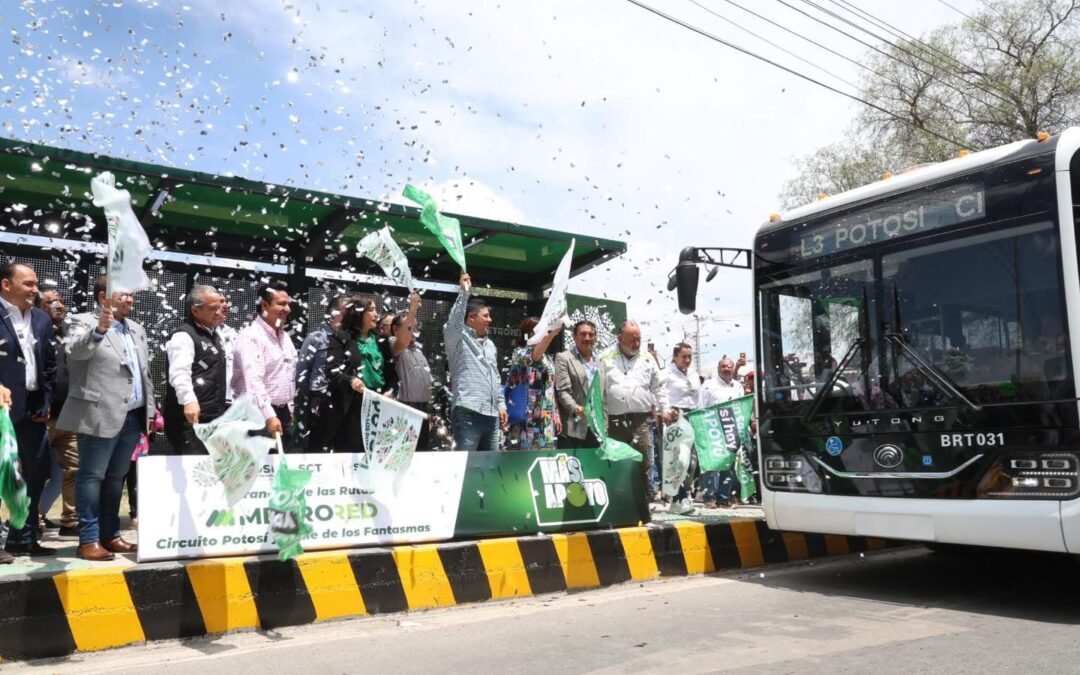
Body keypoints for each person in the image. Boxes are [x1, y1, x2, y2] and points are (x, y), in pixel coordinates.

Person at [57, 275, 153, 561]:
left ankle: (110, 535)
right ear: (103, 297)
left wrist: (151, 408)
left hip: (132, 415)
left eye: (131, 296)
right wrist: (98, 330)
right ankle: (88, 539)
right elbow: (75, 351)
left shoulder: (136, 329)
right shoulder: (81, 321)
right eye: (124, 295)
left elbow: (143, 372)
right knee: (91, 476)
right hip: (98, 412)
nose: (130, 300)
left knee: (116, 478)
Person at [0, 262, 57, 559]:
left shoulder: (41, 319)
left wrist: (46, 401)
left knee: (37, 472)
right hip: (2, 410)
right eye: (28, 284)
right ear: (6, 284)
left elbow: (49, 364)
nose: (35, 289)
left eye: (35, 284)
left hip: (33, 410)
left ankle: (24, 537)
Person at [603, 320, 671, 500]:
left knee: (643, 462)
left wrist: (665, 409)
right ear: (620, 338)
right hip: (613, 421)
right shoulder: (604, 357)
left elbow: (659, 387)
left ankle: (642, 504)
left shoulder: (648, 358)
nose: (637, 343)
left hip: (640, 421)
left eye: (639, 339)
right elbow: (597, 390)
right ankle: (616, 502)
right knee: (615, 461)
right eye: (632, 339)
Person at [325, 295, 398, 451]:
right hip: (353, 405)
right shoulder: (341, 337)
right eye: (371, 310)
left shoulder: (382, 341)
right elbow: (332, 370)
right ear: (358, 313)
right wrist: (351, 381)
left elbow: (392, 375)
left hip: (380, 404)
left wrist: (391, 391)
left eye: (376, 310)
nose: (376, 314)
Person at [444, 271, 506, 451]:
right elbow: (454, 321)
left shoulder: (490, 345)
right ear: (471, 318)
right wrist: (464, 293)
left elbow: (495, 376)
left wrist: (501, 404)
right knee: (466, 467)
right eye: (485, 316)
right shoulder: (457, 338)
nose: (490, 320)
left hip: (492, 416)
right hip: (468, 414)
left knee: (491, 468)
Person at [35, 289, 79, 539]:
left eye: (61, 301)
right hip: (40, 416)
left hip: (68, 415)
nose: (59, 306)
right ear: (40, 307)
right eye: (51, 302)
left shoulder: (69, 334)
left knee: (74, 468)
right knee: (35, 472)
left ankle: (70, 522)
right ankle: (29, 521)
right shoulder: (33, 332)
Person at [233, 281, 298, 449]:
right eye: (282, 304)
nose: (287, 309)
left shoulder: (286, 337)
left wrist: (290, 409)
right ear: (264, 305)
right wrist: (269, 415)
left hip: (282, 414)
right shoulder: (251, 336)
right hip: (257, 416)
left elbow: (290, 376)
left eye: (288, 304)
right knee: (261, 472)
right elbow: (253, 381)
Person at [162, 285, 227, 455]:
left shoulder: (215, 335)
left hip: (213, 417)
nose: (219, 312)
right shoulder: (183, 336)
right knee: (195, 472)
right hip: (190, 420)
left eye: (220, 307)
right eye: (213, 309)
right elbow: (179, 373)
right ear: (196, 311)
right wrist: (189, 400)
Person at [294, 293, 348, 451]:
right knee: (317, 446)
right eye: (346, 311)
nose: (350, 316)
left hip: (343, 401)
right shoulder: (316, 338)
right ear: (333, 312)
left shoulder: (349, 340)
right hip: (320, 402)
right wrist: (309, 403)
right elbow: (302, 373)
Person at [505, 317, 562, 451]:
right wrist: (552, 334)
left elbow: (550, 388)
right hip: (526, 419)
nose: (545, 333)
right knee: (522, 461)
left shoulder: (548, 358)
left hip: (545, 419)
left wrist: (556, 414)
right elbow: (534, 357)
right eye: (542, 331)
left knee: (544, 457)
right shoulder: (519, 353)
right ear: (530, 334)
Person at [700, 357, 744, 507]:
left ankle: (724, 497)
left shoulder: (738, 386)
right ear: (718, 368)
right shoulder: (708, 385)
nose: (727, 369)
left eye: (729, 367)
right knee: (713, 464)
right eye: (724, 366)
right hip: (713, 429)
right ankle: (709, 497)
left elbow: (741, 407)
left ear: (733, 368)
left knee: (729, 465)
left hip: (732, 429)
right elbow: (701, 408)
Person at [391, 291, 433, 449]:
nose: (413, 330)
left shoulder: (419, 351)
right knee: (404, 452)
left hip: (423, 409)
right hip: (405, 409)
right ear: (396, 329)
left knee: (421, 455)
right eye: (409, 326)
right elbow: (402, 340)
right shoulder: (394, 344)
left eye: (415, 326)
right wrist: (413, 308)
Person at [554, 320, 604, 449]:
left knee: (595, 468)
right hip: (574, 428)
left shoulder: (601, 362)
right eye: (583, 334)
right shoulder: (564, 358)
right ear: (574, 337)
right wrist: (575, 408)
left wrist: (605, 425)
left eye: (591, 334)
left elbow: (604, 395)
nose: (587, 338)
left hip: (597, 428)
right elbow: (562, 391)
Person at [664, 343, 701, 514]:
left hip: (692, 416)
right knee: (678, 459)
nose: (687, 360)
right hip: (675, 417)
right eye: (683, 356)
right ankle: (678, 498)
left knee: (692, 462)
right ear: (675, 357)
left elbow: (698, 398)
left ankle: (684, 494)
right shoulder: (667, 373)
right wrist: (666, 411)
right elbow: (660, 394)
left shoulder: (693, 374)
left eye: (689, 357)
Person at [214, 297, 239, 403]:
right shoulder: (198, 333)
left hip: (231, 398)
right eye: (221, 301)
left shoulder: (232, 333)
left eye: (226, 301)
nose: (225, 305)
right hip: (210, 400)